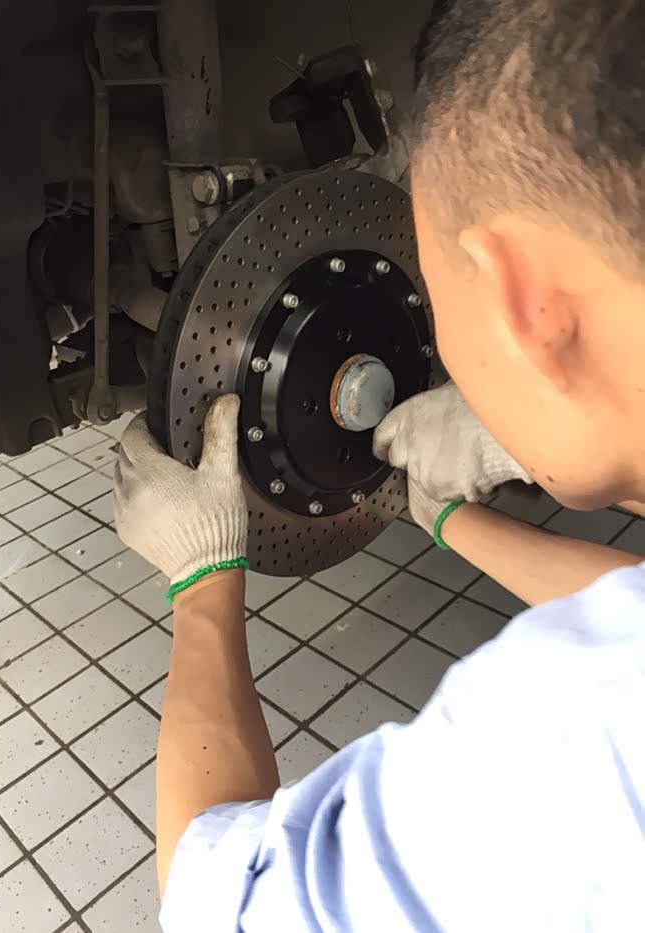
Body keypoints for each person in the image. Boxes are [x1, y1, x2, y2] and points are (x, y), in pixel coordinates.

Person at [113, 1, 645, 928]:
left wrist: (203, 581)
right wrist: (451, 515)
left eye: (435, 282)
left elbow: (219, 898)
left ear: (521, 295)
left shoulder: (571, 745)